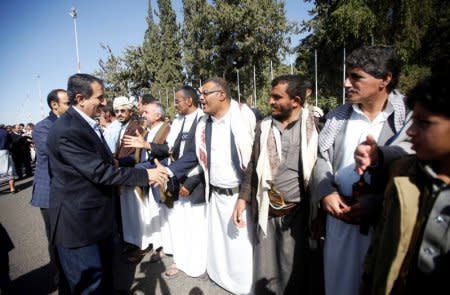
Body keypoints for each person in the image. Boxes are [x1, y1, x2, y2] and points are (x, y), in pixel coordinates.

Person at [46, 73, 168, 294]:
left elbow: (104, 162)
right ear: (81, 98)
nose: (105, 103)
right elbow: (99, 172)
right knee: (90, 288)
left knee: (105, 282)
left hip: (97, 220)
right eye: (100, 98)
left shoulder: (83, 124)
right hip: (79, 226)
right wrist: (145, 176)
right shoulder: (67, 129)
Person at [310, 45, 413, 295]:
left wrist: (376, 203)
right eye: (347, 75)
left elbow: (413, 168)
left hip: (385, 224)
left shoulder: (407, 119)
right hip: (339, 221)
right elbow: (320, 158)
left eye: (356, 77)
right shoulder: (338, 116)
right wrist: (325, 192)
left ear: (384, 79)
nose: (346, 83)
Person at [360, 73, 450, 294]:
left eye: (424, 123)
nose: (410, 132)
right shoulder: (403, 175)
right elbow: (380, 246)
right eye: (412, 121)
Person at [233, 75, 319, 294]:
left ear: (296, 101)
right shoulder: (264, 127)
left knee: (296, 271)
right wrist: (243, 198)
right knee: (266, 272)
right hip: (266, 211)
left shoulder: (316, 126)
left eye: (276, 97)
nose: (270, 101)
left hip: (298, 215)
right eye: (271, 96)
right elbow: (253, 164)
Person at [169, 77, 255, 294]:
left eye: (205, 93)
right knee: (220, 245)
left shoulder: (244, 117)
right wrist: (169, 171)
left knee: (240, 247)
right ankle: (221, 279)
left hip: (239, 196)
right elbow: (194, 157)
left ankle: (243, 287)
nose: (201, 98)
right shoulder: (203, 124)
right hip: (214, 195)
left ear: (222, 95)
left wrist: (244, 197)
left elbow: (253, 160)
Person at [126, 85, 207, 278]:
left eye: (178, 100)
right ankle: (181, 260)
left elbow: (196, 155)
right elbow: (169, 149)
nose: (175, 104)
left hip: (194, 182)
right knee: (181, 225)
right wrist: (147, 145)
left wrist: (178, 176)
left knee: (196, 227)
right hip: (176, 179)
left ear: (189, 100)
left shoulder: (203, 121)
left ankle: (197, 265)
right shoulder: (179, 121)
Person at [119, 100, 170, 262]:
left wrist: (146, 146)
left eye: (146, 112)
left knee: (163, 216)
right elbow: (139, 157)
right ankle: (155, 246)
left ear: (158, 115)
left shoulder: (168, 130)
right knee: (152, 215)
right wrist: (118, 163)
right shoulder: (148, 132)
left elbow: (166, 151)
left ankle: (163, 248)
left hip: (159, 178)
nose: (142, 115)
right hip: (147, 178)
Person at [30, 88, 70, 292]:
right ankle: (62, 281)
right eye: (67, 103)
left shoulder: (70, 124)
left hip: (69, 192)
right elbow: (58, 152)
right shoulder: (42, 128)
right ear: (55, 105)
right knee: (56, 239)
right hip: (50, 194)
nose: (71, 106)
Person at [0, 125, 17, 193]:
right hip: (5, 152)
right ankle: (12, 188)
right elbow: (11, 143)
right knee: (9, 169)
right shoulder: (5, 132)